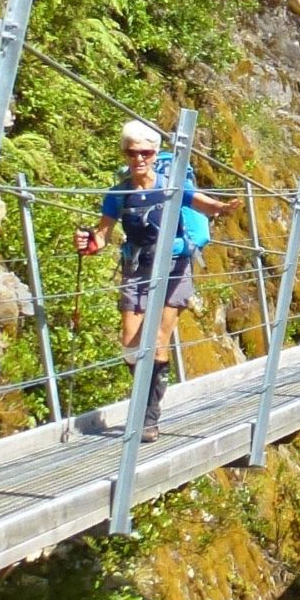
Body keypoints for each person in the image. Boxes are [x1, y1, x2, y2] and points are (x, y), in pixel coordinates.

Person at [79, 119, 236, 440]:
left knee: (159, 338)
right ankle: (145, 403)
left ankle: (147, 417)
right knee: (130, 343)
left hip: (175, 265)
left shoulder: (170, 184)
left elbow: (198, 201)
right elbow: (104, 233)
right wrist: (89, 242)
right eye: (132, 152)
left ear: (154, 153)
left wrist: (221, 207)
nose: (139, 159)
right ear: (124, 153)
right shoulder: (118, 193)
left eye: (146, 152)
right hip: (137, 268)